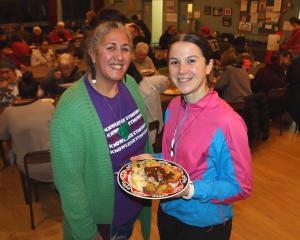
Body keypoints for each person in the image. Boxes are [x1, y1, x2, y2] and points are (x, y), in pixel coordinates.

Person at [133, 33, 252, 240]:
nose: (181, 70)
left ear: (208, 66)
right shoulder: (174, 106)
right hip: (168, 211)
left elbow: (240, 186)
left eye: (191, 61)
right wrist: (155, 161)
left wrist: (190, 190)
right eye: (174, 62)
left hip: (204, 225)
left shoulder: (228, 122)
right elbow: (177, 158)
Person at [50, 21, 152, 240]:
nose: (119, 55)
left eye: (125, 48)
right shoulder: (72, 107)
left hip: (132, 209)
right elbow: (69, 183)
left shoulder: (130, 85)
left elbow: (144, 145)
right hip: (103, 221)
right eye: (110, 47)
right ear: (93, 54)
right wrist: (87, 233)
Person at [0, 71, 54, 181]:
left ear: (19, 91)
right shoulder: (49, 107)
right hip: (56, 162)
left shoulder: (8, 112)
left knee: (12, 149)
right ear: (37, 91)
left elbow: (3, 137)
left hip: (27, 167)